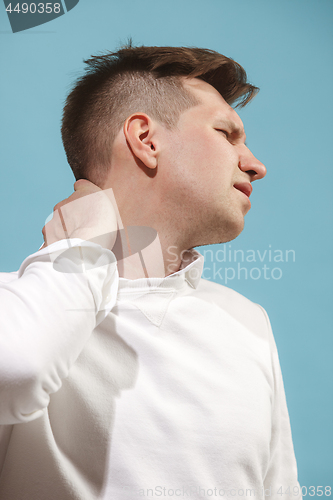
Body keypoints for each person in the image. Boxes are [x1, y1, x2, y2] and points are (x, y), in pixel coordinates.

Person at [0, 44, 302, 499]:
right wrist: (79, 248)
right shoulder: (19, 311)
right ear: (145, 138)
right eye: (227, 133)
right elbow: (16, 369)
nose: (255, 165)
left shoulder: (248, 323)